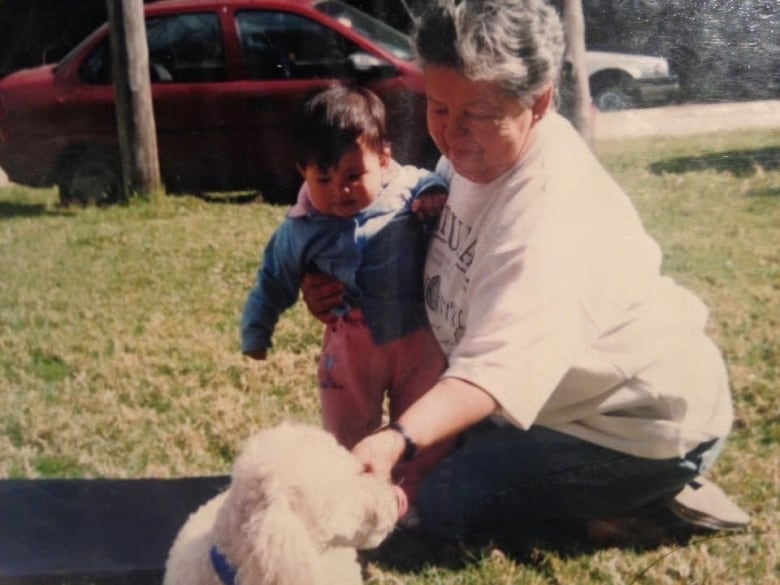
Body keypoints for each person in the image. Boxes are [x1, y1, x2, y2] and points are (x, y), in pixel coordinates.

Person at [302, 0, 750, 542]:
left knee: (443, 505)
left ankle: (656, 500)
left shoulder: (553, 207)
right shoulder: (475, 157)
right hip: (551, 406)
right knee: (432, 473)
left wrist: (395, 438)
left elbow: (491, 370)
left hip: (632, 429)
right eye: (438, 107)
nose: (451, 134)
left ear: (539, 103)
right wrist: (338, 280)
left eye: (478, 115)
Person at [241, 85, 454, 509]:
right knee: (346, 429)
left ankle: (409, 495)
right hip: (352, 345)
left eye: (353, 176)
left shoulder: (404, 190)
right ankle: (350, 499)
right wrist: (256, 332)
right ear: (303, 170)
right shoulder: (301, 229)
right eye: (324, 179)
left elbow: (427, 179)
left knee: (423, 422)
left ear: (383, 158)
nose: (340, 191)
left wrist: (432, 193)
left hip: (418, 337)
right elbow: (273, 280)